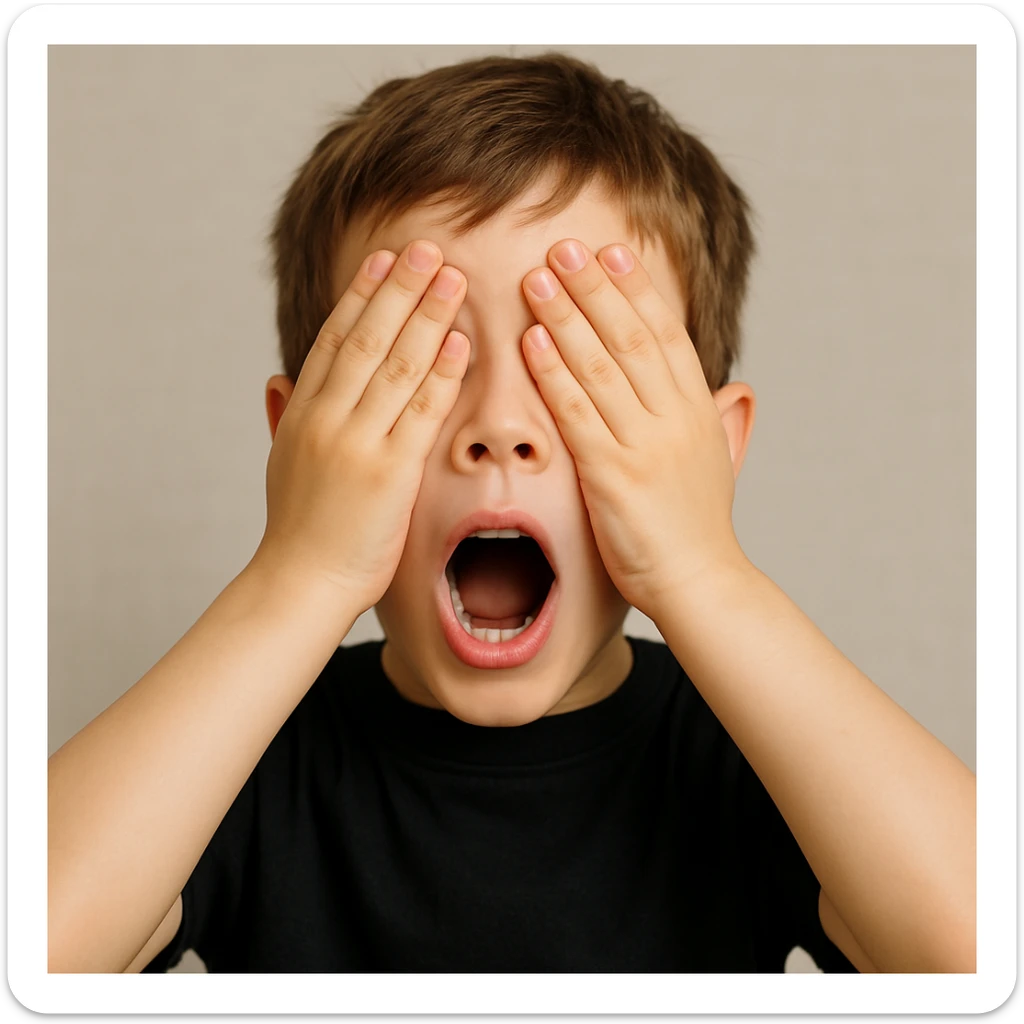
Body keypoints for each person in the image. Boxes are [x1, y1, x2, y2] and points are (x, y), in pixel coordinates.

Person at [47, 52, 976, 974]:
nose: (499, 426)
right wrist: (300, 573)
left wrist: (705, 573)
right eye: (419, 360)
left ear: (712, 455)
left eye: (579, 367)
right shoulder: (245, 756)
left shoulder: (755, 755)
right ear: (301, 451)